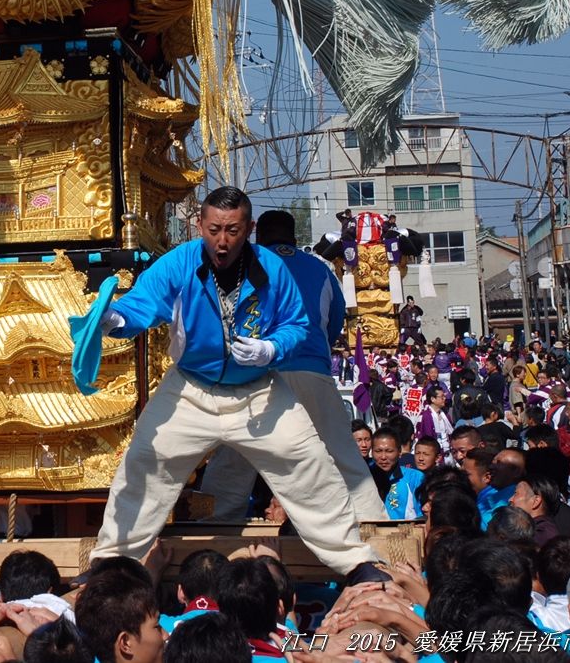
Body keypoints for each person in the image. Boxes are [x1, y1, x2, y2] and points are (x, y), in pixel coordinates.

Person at [81, 187, 383, 581]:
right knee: (144, 460)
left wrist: (270, 349)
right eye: (214, 229)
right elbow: (144, 300)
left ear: (250, 229)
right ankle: (110, 561)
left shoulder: (273, 268)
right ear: (199, 225)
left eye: (233, 231)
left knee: (308, 462)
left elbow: (298, 325)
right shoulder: (179, 263)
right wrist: (117, 320)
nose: (222, 241)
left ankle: (354, 561)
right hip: (190, 387)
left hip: (260, 388)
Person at [204, 210, 386, 523]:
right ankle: (374, 521)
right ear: (294, 238)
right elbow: (332, 325)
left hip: (255, 373)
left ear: (255, 234)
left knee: (234, 458)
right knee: (341, 453)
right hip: (312, 369)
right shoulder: (322, 270)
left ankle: (215, 524)